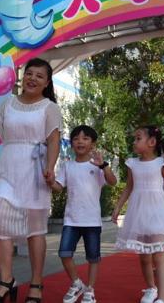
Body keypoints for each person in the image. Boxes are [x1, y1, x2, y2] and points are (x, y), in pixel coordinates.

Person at [0, 58, 62, 303]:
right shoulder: (8, 103)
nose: (32, 78)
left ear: (46, 83)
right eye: (29, 73)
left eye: (39, 76)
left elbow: (53, 140)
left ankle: (36, 284)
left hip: (34, 171)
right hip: (8, 168)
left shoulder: (49, 107)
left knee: (35, 230)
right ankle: (7, 281)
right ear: (23, 77)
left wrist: (50, 168)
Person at [112, 126, 164, 303]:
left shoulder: (161, 163)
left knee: (159, 257)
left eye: (138, 138)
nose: (134, 141)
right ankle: (151, 288)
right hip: (139, 214)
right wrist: (117, 207)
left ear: (152, 142)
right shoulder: (132, 163)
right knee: (144, 257)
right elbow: (129, 188)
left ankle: (162, 298)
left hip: (159, 212)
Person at [48, 125, 117, 303]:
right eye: (76, 138)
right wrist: (49, 180)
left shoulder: (97, 165)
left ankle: (90, 290)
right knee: (64, 253)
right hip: (71, 219)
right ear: (71, 143)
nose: (80, 141)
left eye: (85, 138)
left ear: (93, 144)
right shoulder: (67, 166)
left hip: (92, 220)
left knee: (93, 257)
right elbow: (58, 187)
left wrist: (104, 166)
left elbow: (112, 181)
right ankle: (77, 283)